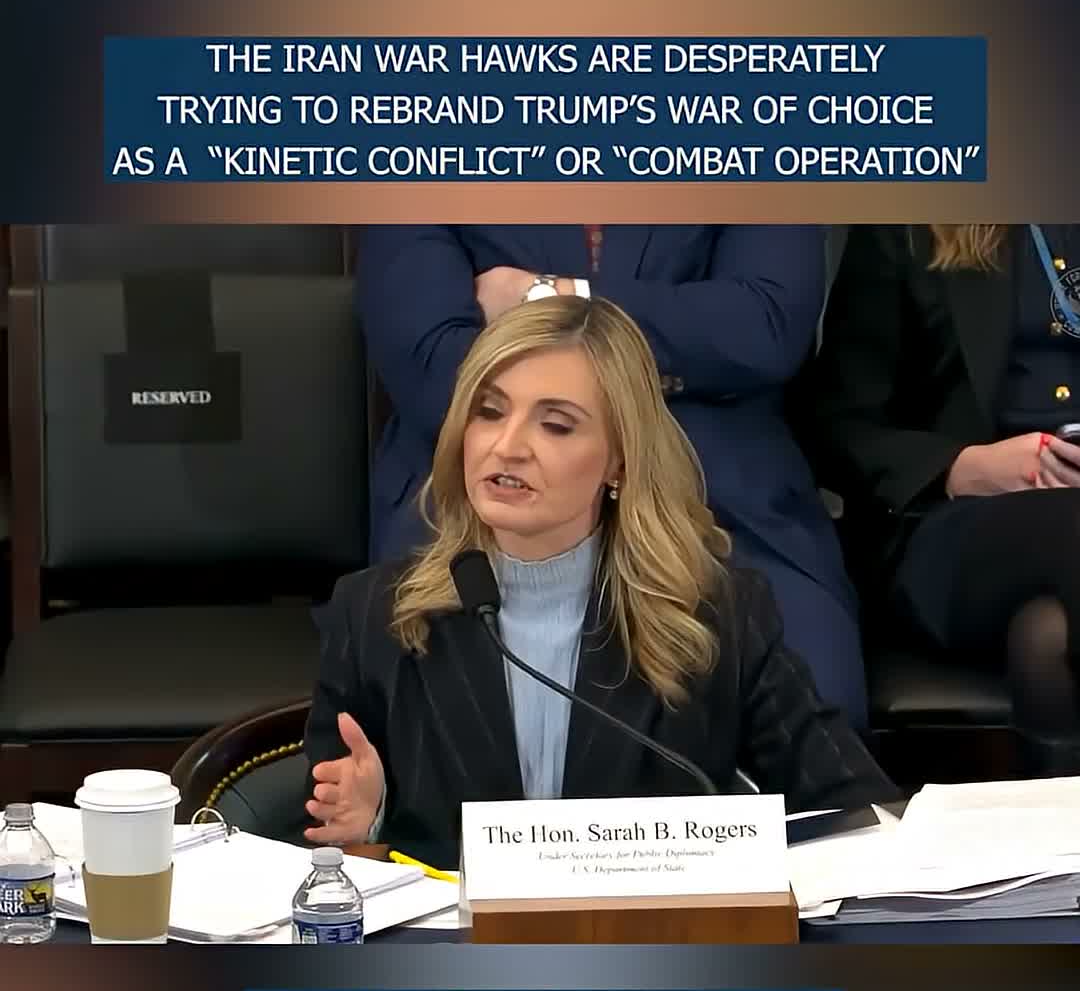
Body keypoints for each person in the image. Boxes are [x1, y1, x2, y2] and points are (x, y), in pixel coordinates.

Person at [307, 296, 894, 868]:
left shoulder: (717, 615)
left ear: (619, 460)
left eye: (556, 425)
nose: (508, 447)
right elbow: (320, 863)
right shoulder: (373, 616)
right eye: (489, 412)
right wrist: (366, 825)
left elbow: (855, 811)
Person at [356, 224, 868, 724]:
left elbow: (764, 325)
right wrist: (671, 360)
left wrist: (548, 296)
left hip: (721, 499)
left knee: (813, 700)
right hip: (479, 505)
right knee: (438, 711)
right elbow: (435, 362)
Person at [809, 223, 1080, 776]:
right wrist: (963, 467)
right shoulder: (910, 227)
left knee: (1046, 635)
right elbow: (833, 421)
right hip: (955, 521)